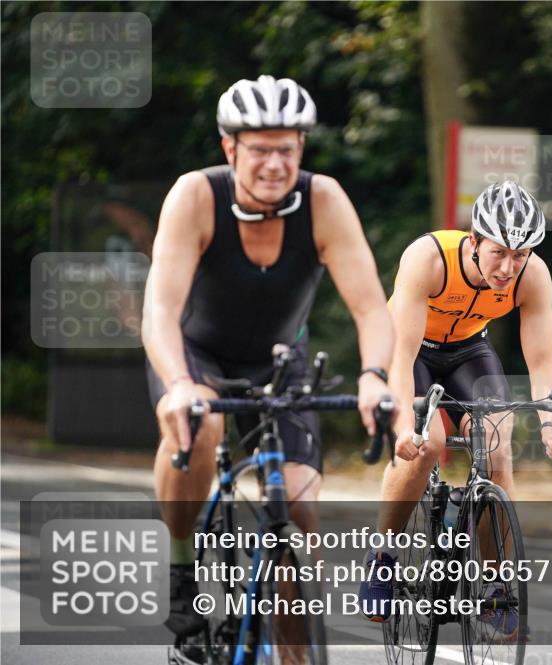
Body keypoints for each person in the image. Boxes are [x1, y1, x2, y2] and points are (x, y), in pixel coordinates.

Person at [142, 75, 395, 641]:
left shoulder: (324, 200)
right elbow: (160, 310)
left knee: (301, 506)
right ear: (230, 148)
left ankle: (294, 654)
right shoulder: (196, 196)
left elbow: (372, 308)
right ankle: (183, 567)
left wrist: (375, 376)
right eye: (260, 149)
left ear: (301, 148)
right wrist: (179, 384)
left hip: (280, 361)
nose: (275, 163)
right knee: (199, 428)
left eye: (287, 148)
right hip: (195, 357)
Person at [357, 180, 552, 631]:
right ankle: (383, 557)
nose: (509, 267)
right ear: (473, 241)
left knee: (497, 451)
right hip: (411, 350)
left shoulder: (533, 276)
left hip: (469, 352)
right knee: (427, 445)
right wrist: (404, 424)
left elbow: (541, 359)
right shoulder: (428, 258)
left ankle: (496, 588)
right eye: (499, 253)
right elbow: (400, 354)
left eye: (520, 255)